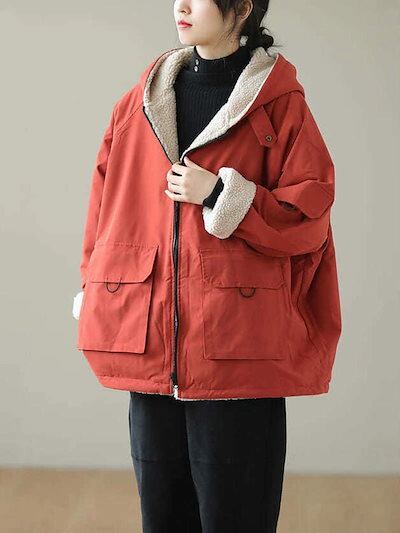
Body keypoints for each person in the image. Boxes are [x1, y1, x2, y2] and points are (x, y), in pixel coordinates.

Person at [73, 0, 342, 531]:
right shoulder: (139, 103)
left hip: (238, 349)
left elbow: (308, 215)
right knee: (163, 517)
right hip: (152, 351)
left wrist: (221, 193)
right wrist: (93, 286)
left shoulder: (279, 107)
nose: (181, 5)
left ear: (242, 7)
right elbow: (103, 213)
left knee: (236, 517)